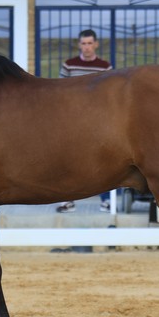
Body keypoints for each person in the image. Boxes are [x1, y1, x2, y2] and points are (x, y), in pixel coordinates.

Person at [52, 29, 112, 254]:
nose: (86, 47)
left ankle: (106, 199)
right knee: (68, 160)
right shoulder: (69, 65)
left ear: (95, 45)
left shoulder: (105, 67)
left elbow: (110, 95)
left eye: (89, 43)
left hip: (97, 121)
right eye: (82, 43)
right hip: (71, 121)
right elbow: (58, 92)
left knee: (106, 160)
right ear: (79, 45)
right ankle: (67, 199)